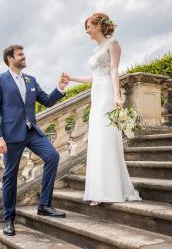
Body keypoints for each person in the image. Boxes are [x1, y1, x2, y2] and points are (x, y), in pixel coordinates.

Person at [0, 44, 69, 236]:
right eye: (20, 54)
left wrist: (60, 88)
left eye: (23, 54)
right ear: (10, 58)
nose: (24, 57)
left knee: (52, 157)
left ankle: (44, 205)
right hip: (10, 135)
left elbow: (47, 101)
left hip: (31, 131)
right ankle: (8, 219)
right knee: (10, 175)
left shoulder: (31, 80)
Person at [64, 12, 141, 206]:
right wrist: (71, 78)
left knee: (106, 138)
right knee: (97, 139)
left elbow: (114, 70)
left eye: (89, 26)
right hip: (96, 93)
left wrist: (117, 94)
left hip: (107, 92)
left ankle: (110, 190)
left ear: (98, 25)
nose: (87, 31)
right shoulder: (96, 49)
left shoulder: (112, 44)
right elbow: (94, 76)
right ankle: (99, 189)